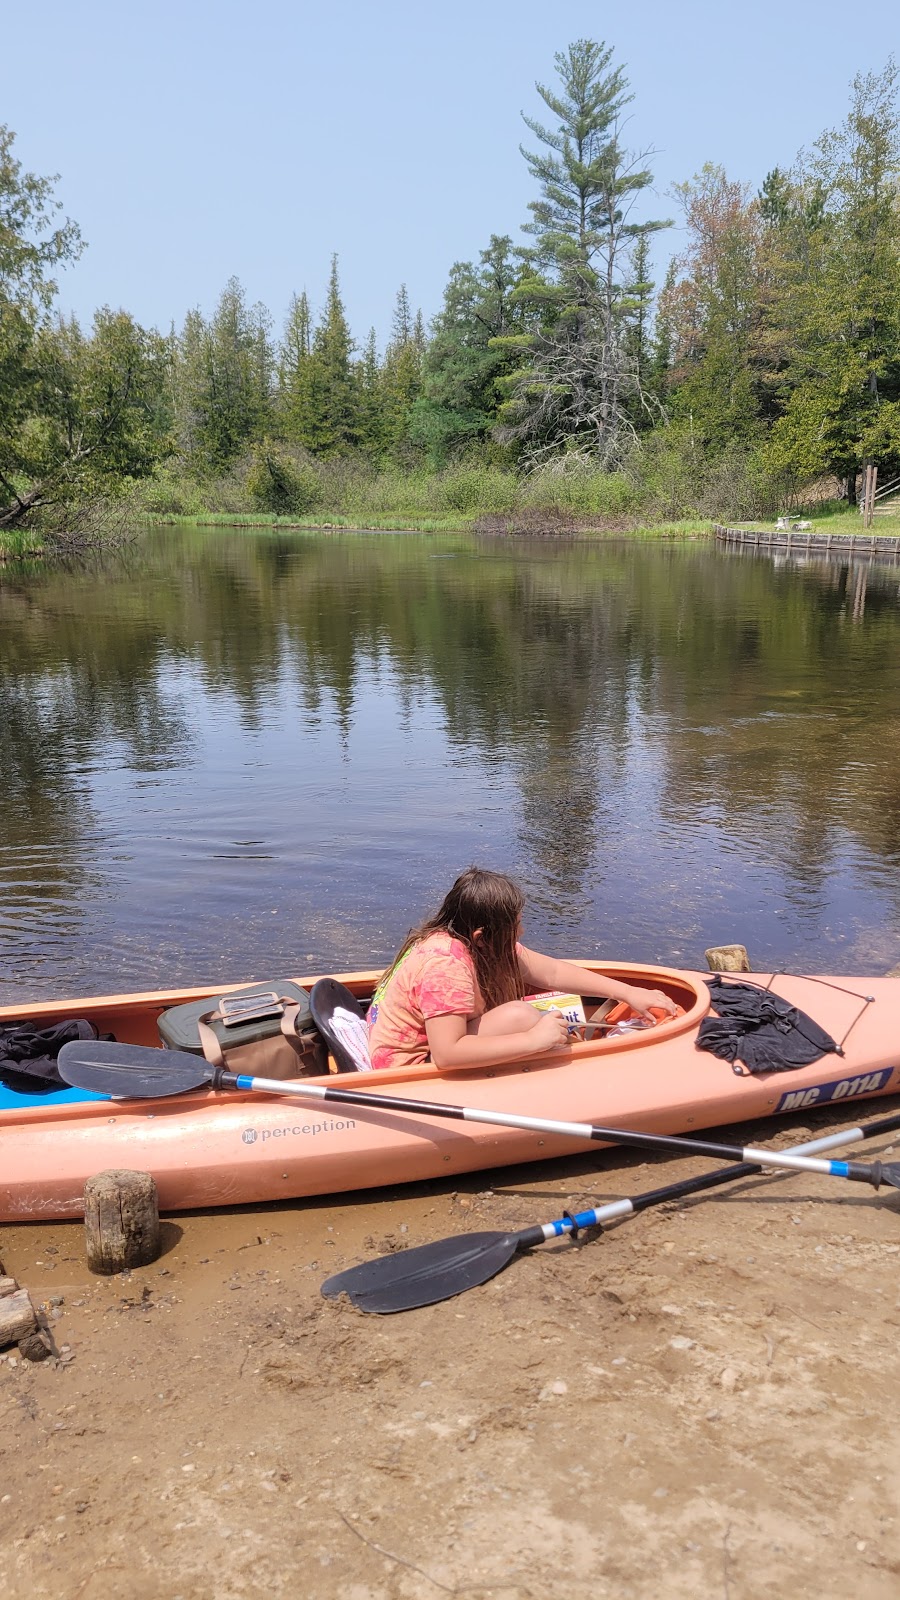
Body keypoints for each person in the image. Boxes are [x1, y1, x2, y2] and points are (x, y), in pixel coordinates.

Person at [366, 866, 678, 1072]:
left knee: (525, 1014)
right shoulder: (445, 968)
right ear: (482, 936)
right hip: (410, 1068)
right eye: (516, 927)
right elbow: (447, 1055)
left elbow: (553, 973)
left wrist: (627, 991)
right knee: (521, 1015)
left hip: (426, 1047)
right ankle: (582, 1060)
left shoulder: (466, 938)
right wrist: (535, 1040)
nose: (523, 932)